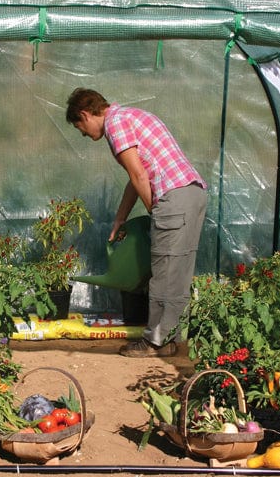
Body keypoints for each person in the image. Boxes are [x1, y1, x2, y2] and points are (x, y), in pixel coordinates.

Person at [66, 87, 207, 358]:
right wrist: (121, 218)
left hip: (173, 198)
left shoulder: (115, 125)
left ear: (85, 114)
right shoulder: (133, 115)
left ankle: (154, 342)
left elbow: (139, 176)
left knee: (163, 273)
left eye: (79, 127)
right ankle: (170, 339)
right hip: (192, 193)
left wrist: (156, 213)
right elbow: (136, 177)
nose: (83, 133)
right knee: (178, 272)